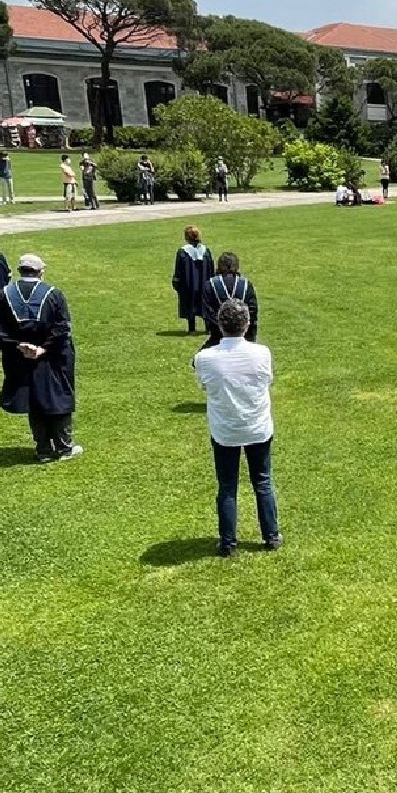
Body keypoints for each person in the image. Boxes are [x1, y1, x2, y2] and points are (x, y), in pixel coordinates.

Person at [192, 298, 282, 558]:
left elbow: (205, 387)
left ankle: (228, 542)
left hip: (226, 429)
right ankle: (271, 536)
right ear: (247, 324)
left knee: (228, 485)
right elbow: (267, 380)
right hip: (257, 426)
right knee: (263, 481)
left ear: (219, 324)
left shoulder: (205, 358)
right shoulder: (261, 353)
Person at [0, 254, 80, 462]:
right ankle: (64, 447)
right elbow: (62, 326)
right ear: (40, 271)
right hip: (53, 357)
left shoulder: (4, 294)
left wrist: (18, 345)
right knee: (59, 397)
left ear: (21, 270)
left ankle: (43, 450)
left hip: (20, 358)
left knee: (34, 400)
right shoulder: (53, 294)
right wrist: (43, 348)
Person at [202, 252, 259, 347]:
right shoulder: (245, 284)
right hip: (244, 337)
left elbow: (208, 313)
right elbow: (252, 311)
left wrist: (221, 330)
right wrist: (251, 337)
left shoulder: (210, 285)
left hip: (218, 338)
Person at [172, 226, 215, 334]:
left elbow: (179, 270)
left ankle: (192, 329)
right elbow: (211, 267)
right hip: (204, 283)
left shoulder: (183, 252)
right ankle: (208, 328)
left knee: (190, 304)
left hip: (189, 284)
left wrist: (176, 283)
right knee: (205, 304)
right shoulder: (206, 251)